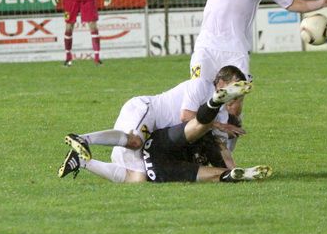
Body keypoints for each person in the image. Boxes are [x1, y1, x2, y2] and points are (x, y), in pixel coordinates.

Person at [165, 0, 327, 139]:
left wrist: (320, 3)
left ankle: (226, 152)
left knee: (234, 108)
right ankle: (198, 147)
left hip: (236, 52)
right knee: (197, 98)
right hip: (206, 49)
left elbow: (291, 3)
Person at [58, 77, 272, 183]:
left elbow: (223, 149)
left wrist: (234, 166)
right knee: (135, 142)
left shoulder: (226, 119)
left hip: (158, 146)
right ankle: (83, 139)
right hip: (149, 114)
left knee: (138, 178)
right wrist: (217, 126)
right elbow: (187, 117)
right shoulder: (200, 85)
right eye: (235, 98)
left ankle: (82, 161)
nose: (236, 104)